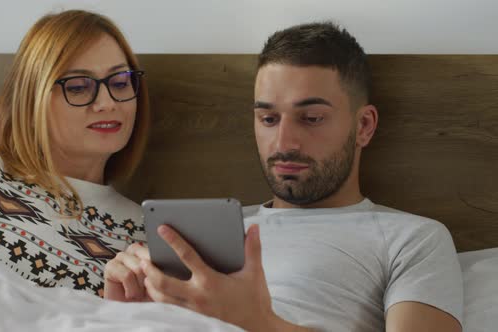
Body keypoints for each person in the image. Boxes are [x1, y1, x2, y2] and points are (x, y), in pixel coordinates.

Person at [103, 22, 463, 332]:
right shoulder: (203, 231)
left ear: (364, 125)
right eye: (269, 119)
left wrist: (261, 323)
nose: (284, 143)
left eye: (311, 118)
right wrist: (123, 310)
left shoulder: (412, 239)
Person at [0, 9, 150, 298]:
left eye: (120, 82)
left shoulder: (146, 232)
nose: (106, 102)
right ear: (32, 97)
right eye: (77, 87)